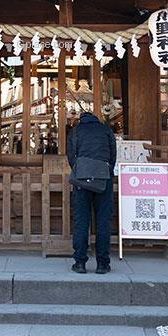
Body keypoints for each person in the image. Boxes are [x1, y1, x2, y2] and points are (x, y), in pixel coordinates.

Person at [67, 110, 117, 274]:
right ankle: (102, 264)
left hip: (82, 179)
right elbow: (113, 156)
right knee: (103, 221)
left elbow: (71, 157)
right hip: (103, 178)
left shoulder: (75, 132)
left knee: (81, 221)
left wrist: (81, 169)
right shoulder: (106, 130)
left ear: (81, 120)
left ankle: (80, 262)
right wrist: (106, 170)